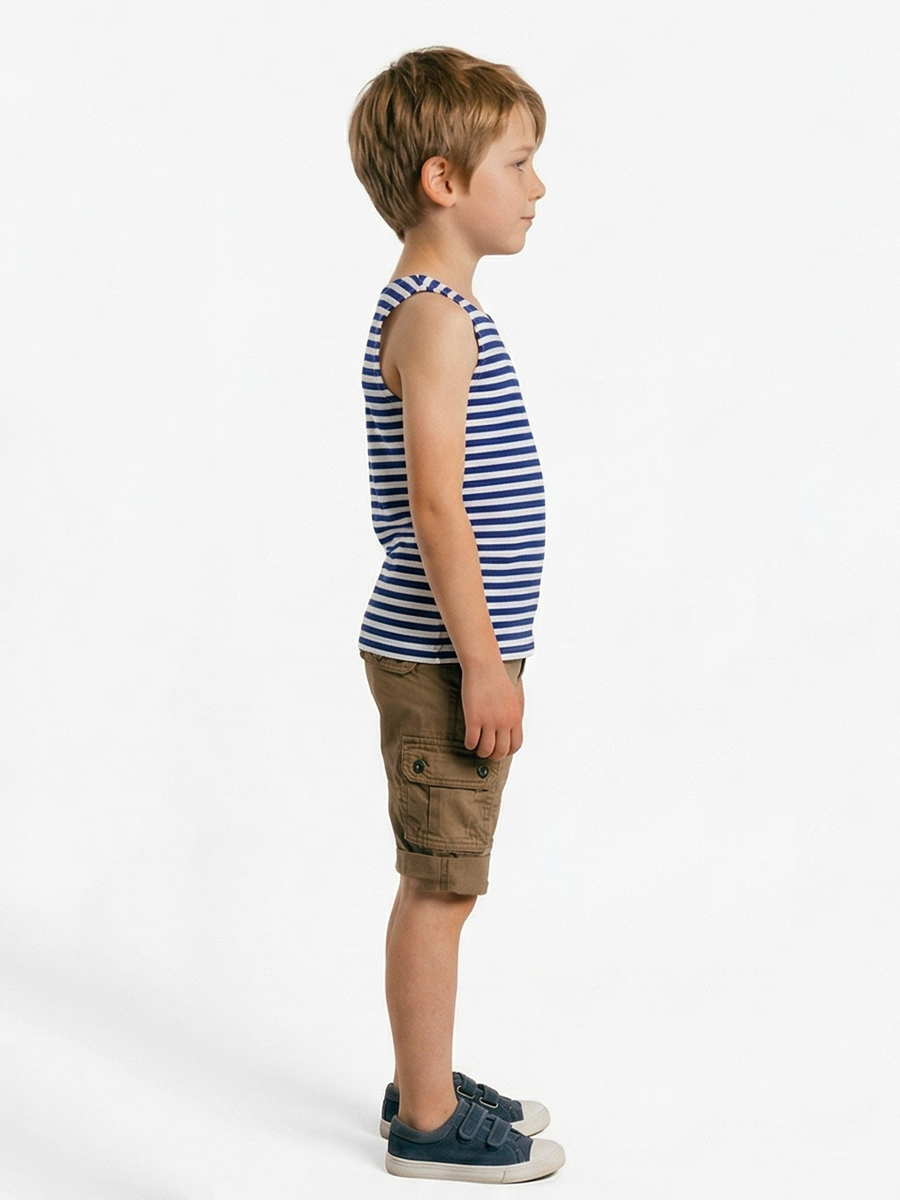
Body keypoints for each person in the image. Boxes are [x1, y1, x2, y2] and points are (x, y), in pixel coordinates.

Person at [349, 47, 564, 1184]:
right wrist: (483, 663)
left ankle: (421, 1076)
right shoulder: (435, 320)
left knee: (448, 879)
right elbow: (438, 507)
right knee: (441, 885)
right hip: (442, 657)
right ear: (444, 180)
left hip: (453, 652)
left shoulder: (443, 311)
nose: (538, 186)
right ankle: (426, 1124)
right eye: (519, 164)